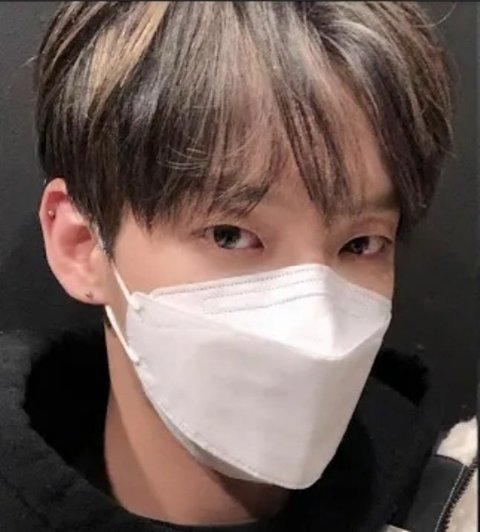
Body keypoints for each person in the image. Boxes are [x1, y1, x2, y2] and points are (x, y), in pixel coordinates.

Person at [0, 2, 476, 531]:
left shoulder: (449, 504)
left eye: (361, 243)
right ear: (82, 245)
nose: (316, 331)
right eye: (230, 235)